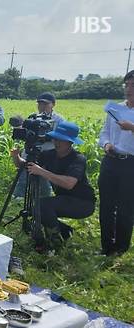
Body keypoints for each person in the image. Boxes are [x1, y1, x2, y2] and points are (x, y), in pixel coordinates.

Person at [11, 121, 95, 252]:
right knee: (35, 209)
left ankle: (55, 243)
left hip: (83, 203)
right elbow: (28, 166)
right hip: (64, 199)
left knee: (42, 205)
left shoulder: (78, 158)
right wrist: (16, 157)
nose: (57, 142)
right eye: (56, 138)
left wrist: (41, 171)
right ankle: (65, 231)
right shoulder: (50, 154)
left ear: (70, 142)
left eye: (62, 140)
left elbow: (69, 183)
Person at [98, 70, 134, 256]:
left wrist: (132, 127)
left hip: (131, 164)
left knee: (126, 207)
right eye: (126, 85)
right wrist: (106, 144)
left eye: (133, 85)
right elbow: (104, 132)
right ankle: (106, 246)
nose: (128, 89)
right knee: (106, 205)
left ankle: (120, 247)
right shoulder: (116, 109)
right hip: (111, 160)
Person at [12, 92, 65, 198]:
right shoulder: (33, 118)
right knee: (23, 176)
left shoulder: (59, 119)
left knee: (44, 180)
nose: (42, 106)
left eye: (45, 104)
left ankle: (45, 200)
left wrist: (45, 137)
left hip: (48, 154)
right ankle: (18, 198)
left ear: (53, 104)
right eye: (40, 104)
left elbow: (61, 138)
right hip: (31, 151)